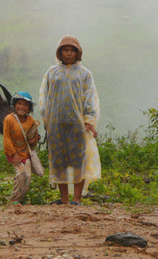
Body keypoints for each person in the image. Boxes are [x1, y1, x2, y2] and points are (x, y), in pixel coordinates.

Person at [38, 35, 101, 205]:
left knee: (78, 159)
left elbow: (90, 97)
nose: (68, 53)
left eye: (72, 50)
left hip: (77, 124)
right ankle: (64, 198)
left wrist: (89, 119)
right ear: (60, 52)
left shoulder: (85, 74)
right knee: (59, 160)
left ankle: (77, 198)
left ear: (77, 53)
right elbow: (44, 95)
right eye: (65, 50)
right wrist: (46, 118)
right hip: (56, 123)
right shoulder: (51, 72)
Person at [2, 91, 40, 204]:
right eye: (19, 103)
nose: (22, 107)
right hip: (14, 154)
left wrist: (34, 139)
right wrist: (14, 154)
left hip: (25, 153)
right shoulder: (9, 119)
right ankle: (15, 199)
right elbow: (6, 138)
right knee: (21, 174)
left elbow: (32, 140)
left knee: (27, 177)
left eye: (25, 105)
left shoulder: (31, 121)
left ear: (29, 108)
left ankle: (20, 198)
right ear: (14, 105)